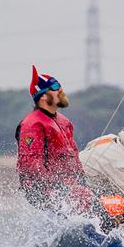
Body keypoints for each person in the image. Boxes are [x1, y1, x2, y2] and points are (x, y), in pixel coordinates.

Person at [15, 65, 94, 215]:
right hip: (42, 189)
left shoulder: (64, 121)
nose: (61, 90)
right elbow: (30, 164)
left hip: (69, 186)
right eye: (56, 87)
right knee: (89, 204)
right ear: (43, 96)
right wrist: (58, 186)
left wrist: (82, 182)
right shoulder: (32, 124)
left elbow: (74, 157)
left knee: (108, 201)